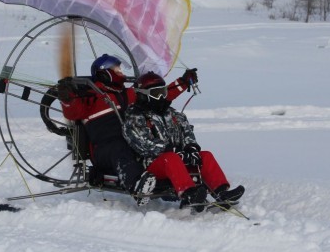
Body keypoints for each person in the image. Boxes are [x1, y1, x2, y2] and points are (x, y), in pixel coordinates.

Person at [57, 54, 197, 206]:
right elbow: (72, 112)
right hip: (104, 150)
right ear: (104, 72)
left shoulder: (128, 94)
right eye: (117, 69)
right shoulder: (91, 98)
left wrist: (183, 82)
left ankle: (177, 183)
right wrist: (67, 97)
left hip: (131, 143)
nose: (121, 72)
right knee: (119, 147)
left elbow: (156, 95)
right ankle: (136, 186)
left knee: (156, 144)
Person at [122, 71, 245, 212]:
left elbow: (187, 132)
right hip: (152, 165)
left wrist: (191, 148)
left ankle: (221, 191)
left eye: (163, 92)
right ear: (143, 94)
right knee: (171, 158)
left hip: (176, 159)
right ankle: (190, 194)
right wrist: (172, 151)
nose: (161, 97)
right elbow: (142, 144)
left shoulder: (173, 114)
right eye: (156, 93)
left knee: (204, 155)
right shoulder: (135, 117)